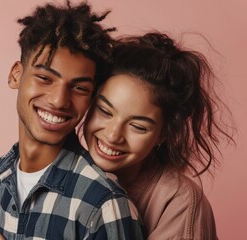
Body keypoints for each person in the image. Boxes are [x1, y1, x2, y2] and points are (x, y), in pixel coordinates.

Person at [0, 1, 144, 240]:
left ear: (91, 98)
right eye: (44, 78)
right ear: (16, 76)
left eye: (79, 87)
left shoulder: (103, 204)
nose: (60, 101)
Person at [83, 32, 235, 240]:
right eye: (105, 111)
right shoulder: (67, 170)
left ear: (163, 134)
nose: (113, 134)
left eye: (137, 126)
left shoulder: (178, 202)